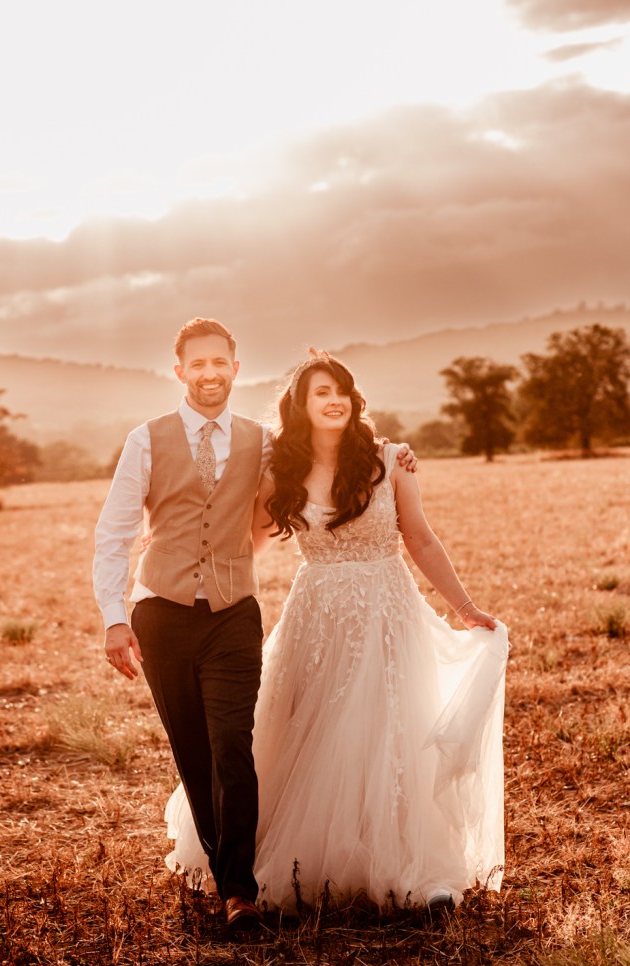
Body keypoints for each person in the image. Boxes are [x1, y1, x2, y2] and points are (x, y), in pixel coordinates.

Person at [93, 323, 417, 931]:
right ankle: (223, 870)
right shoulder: (146, 441)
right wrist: (115, 618)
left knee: (231, 745)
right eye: (198, 363)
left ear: (236, 369)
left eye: (221, 362)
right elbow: (113, 534)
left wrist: (386, 454)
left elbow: (317, 449)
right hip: (160, 613)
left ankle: (239, 892)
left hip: (234, 615)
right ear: (180, 371)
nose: (210, 372)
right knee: (192, 750)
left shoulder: (261, 444)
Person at [165, 349, 508, 914]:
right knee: (313, 726)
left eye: (341, 390)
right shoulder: (278, 470)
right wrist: (192, 583)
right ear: (299, 405)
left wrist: (466, 608)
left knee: (391, 729)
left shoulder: (390, 459)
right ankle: (295, 861)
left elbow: (419, 539)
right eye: (320, 392)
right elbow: (248, 542)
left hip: (388, 609)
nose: (334, 400)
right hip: (317, 613)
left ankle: (412, 870)